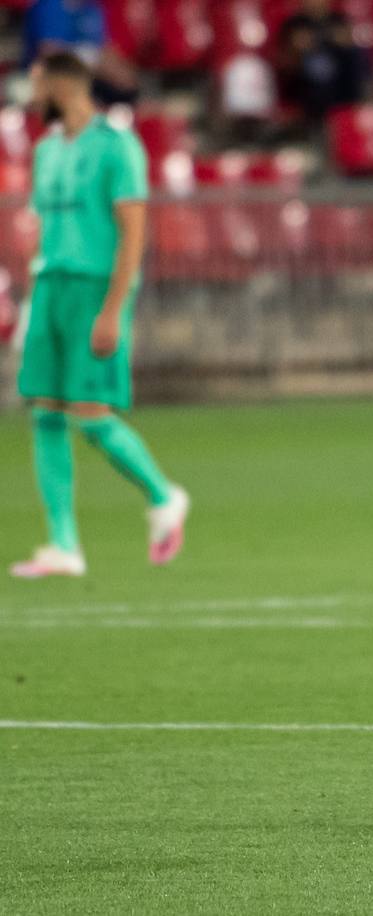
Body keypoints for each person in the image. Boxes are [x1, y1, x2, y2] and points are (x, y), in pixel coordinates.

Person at [11, 52, 189, 580]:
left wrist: (115, 308)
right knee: (44, 411)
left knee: (89, 415)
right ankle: (63, 544)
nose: (31, 94)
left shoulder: (118, 148)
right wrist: (30, 298)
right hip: (50, 287)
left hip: (95, 288)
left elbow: (133, 231)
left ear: (62, 86)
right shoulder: (46, 149)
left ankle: (163, 495)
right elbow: (44, 228)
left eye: (37, 84)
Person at [276, 0, 367, 122]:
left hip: (340, 93)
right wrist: (297, 48)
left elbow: (352, 48)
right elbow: (284, 62)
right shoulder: (294, 24)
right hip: (305, 96)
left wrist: (343, 42)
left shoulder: (339, 21)